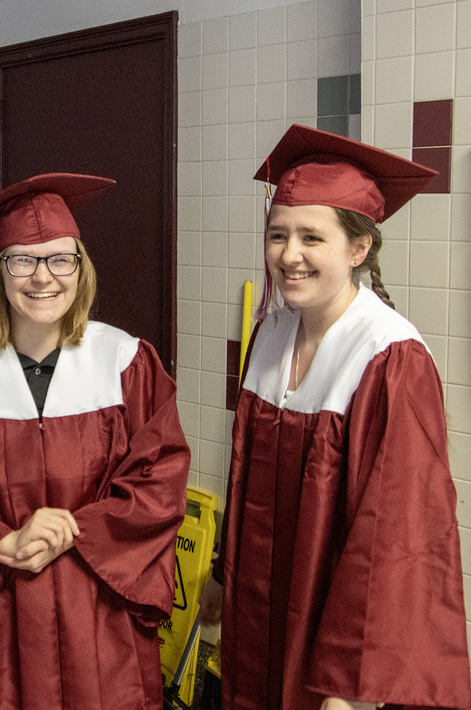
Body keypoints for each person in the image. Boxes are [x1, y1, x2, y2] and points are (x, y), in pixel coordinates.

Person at [0, 173, 192, 710]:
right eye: (22, 260)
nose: (42, 277)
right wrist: (3, 542)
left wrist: (72, 531)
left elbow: (159, 482)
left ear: (81, 269)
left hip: (95, 613)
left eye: (59, 260)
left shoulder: (125, 362)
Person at [199, 125, 471, 710]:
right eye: (278, 236)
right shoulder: (270, 333)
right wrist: (224, 570)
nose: (289, 256)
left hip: (332, 645)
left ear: (358, 249)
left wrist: (351, 685)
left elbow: (398, 536)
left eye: (311, 238)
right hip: (259, 611)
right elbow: (244, 473)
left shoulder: (389, 358)